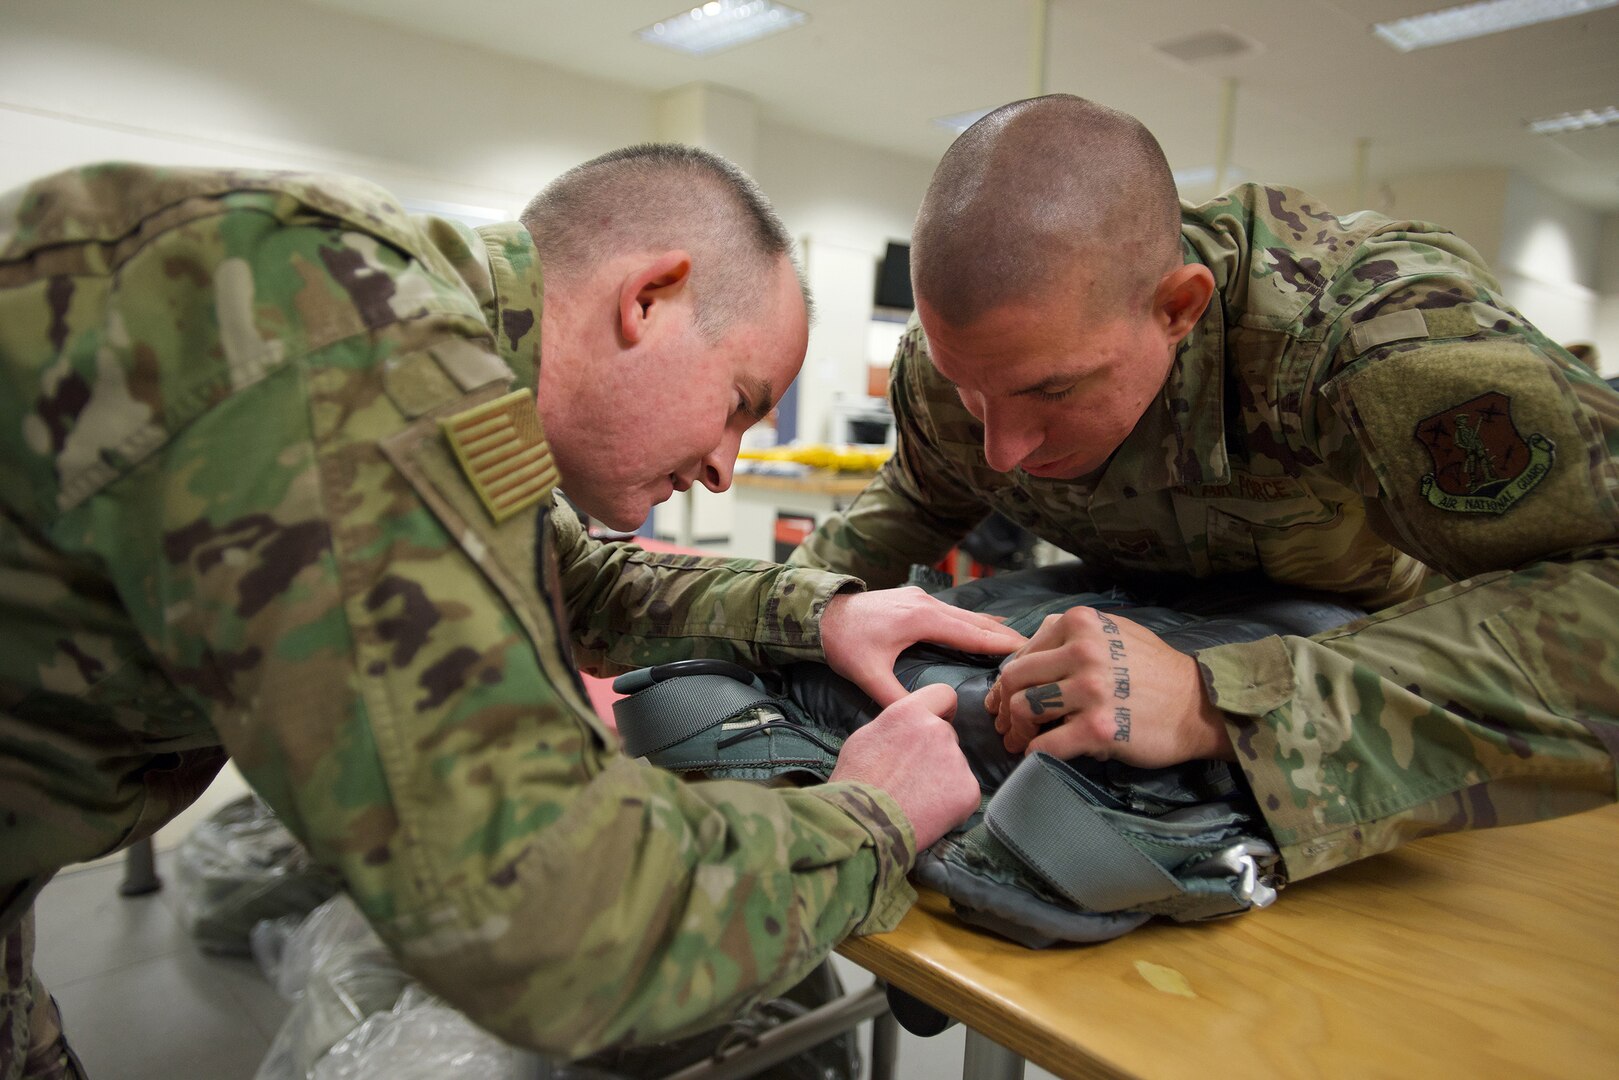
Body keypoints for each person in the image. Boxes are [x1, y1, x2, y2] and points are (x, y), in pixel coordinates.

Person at [0, 147, 1025, 1074]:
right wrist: (869, 818)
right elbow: (550, 917)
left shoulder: (428, 349)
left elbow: (582, 582)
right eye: (738, 403)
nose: (725, 468)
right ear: (652, 299)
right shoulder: (347, 348)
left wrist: (818, 613)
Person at [793, 95, 1618, 888]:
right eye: (970, 393)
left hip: (1360, 695)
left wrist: (1213, 704)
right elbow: (912, 502)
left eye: (1051, 393)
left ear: (1177, 309)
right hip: (1129, 652)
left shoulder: (1367, 340)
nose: (1001, 448)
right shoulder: (962, 364)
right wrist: (791, 613)